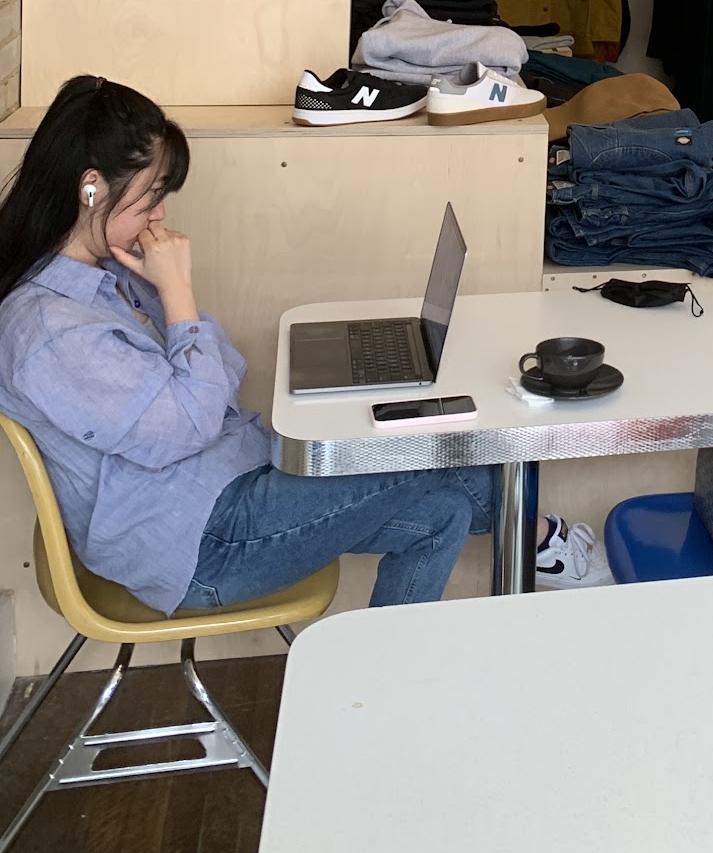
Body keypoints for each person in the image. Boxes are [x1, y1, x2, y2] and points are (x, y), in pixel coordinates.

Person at [0, 75, 608, 613]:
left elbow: (223, 374)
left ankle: (385, 684)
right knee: (436, 449)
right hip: (200, 542)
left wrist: (169, 300)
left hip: (227, 489)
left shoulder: (105, 278)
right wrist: (177, 293)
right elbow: (189, 424)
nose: (159, 214)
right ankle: (540, 538)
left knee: (441, 511)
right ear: (91, 189)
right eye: (152, 194)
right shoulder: (51, 330)